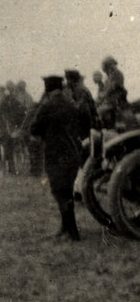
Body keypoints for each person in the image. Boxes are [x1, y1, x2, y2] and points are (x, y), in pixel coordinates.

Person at [30, 75, 90, 241]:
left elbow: (34, 128)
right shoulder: (71, 104)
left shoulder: (47, 106)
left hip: (54, 155)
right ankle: (67, 228)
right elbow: (82, 124)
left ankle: (72, 231)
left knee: (59, 192)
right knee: (68, 192)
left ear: (47, 88)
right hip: (72, 154)